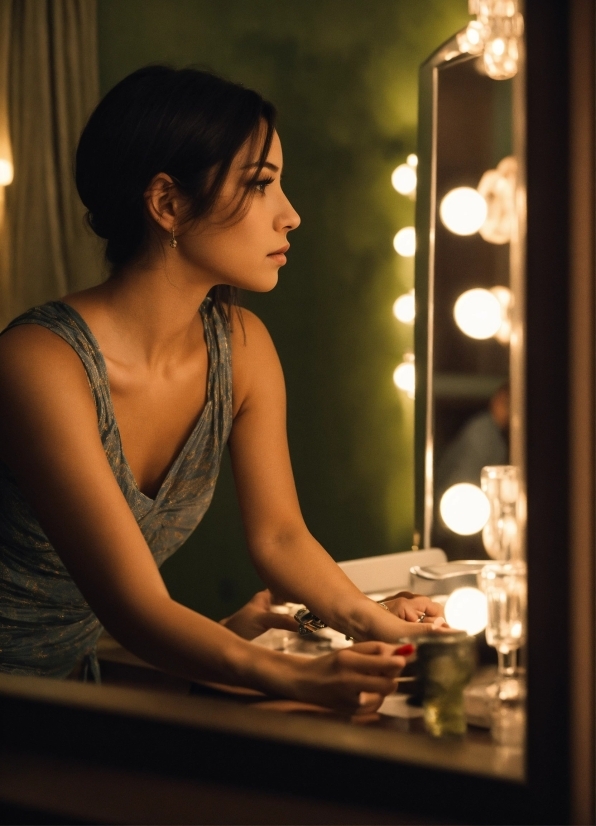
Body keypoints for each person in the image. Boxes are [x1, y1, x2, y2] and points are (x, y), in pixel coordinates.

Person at [0, 66, 445, 715]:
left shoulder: (242, 347)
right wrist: (299, 678)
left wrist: (379, 625)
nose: (291, 214)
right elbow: (135, 608)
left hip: (72, 695)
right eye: (260, 185)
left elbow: (281, 539)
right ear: (168, 203)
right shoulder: (38, 364)